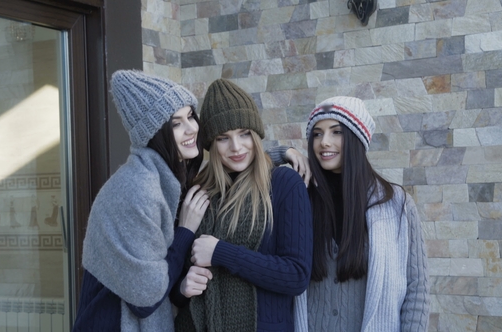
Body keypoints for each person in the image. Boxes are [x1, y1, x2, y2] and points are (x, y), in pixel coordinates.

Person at [73, 70, 210, 331]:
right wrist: (185, 231)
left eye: (191, 116)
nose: (192, 128)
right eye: (176, 123)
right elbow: (146, 298)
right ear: (155, 133)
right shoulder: (137, 189)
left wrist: (285, 154)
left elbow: (230, 156)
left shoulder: (166, 177)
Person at [174, 79, 313, 332]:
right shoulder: (197, 192)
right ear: (211, 144)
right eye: (223, 138)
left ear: (255, 134)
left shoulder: (283, 183)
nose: (236, 147)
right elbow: (174, 286)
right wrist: (183, 288)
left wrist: (220, 252)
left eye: (244, 133)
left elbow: (296, 276)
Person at [304, 96, 429, 331]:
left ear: (356, 137)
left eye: (336, 132)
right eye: (317, 134)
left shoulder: (396, 204)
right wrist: (285, 153)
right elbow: (249, 167)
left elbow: (417, 291)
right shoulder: (300, 198)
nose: (324, 142)